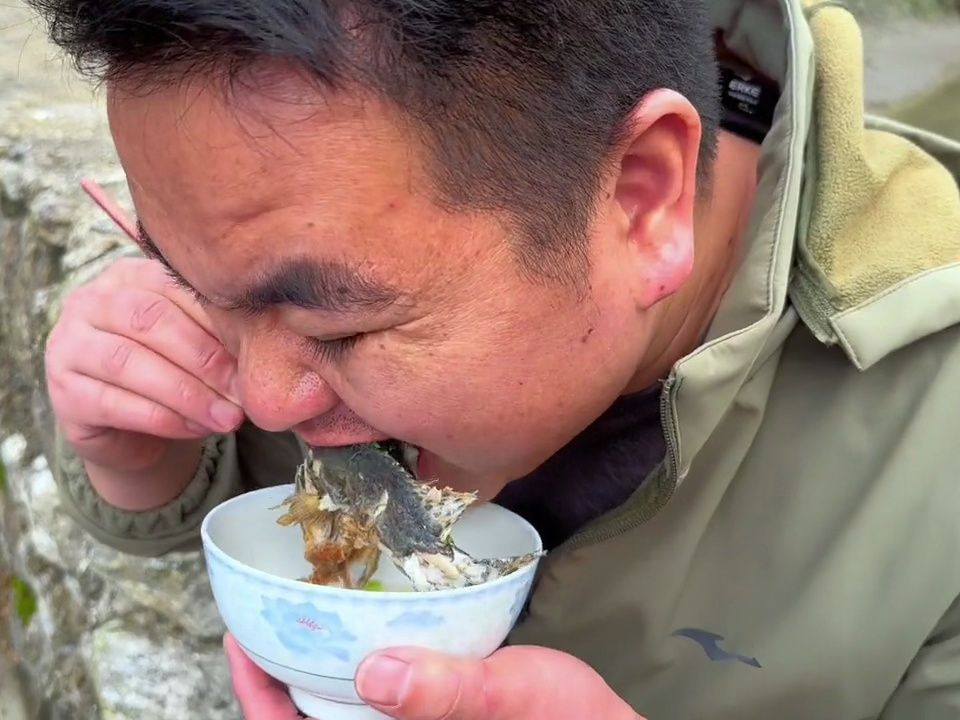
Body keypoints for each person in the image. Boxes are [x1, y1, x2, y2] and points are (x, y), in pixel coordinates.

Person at [32, 0, 960, 716]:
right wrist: (146, 459)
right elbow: (251, 479)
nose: (265, 397)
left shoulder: (932, 450)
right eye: (189, 281)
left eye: (338, 331)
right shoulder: (317, 210)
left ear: (642, 198)